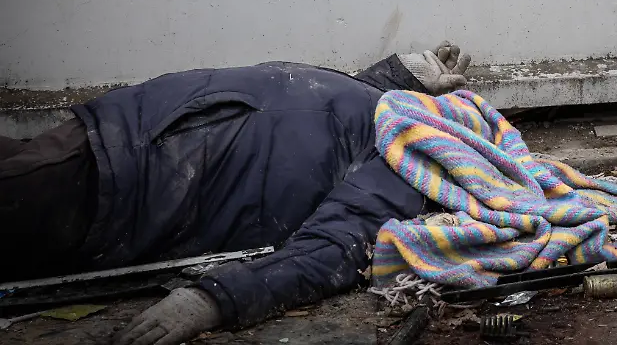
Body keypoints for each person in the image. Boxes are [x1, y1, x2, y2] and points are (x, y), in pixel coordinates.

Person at [0, 44, 472, 345]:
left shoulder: (404, 149)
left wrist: (216, 299)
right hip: (131, 168)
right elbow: (334, 246)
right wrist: (400, 77)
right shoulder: (396, 126)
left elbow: (336, 245)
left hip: (129, 158)